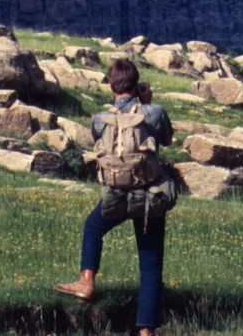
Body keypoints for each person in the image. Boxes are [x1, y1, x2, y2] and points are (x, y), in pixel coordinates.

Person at [54, 59, 174, 336]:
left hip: (115, 196)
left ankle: (87, 281)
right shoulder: (154, 112)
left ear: (111, 86)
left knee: (93, 228)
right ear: (136, 83)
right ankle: (146, 332)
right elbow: (166, 140)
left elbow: (100, 140)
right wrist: (146, 101)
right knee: (150, 260)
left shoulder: (98, 118)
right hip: (149, 197)